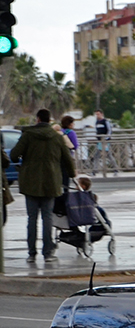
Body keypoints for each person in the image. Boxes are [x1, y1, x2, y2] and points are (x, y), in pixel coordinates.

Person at [10, 109, 76, 263]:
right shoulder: (57, 137)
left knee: (31, 218)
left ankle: (31, 253)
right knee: (47, 218)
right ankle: (48, 253)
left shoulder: (28, 135)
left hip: (30, 182)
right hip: (51, 182)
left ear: (38, 119)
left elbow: (14, 155)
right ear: (50, 120)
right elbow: (67, 159)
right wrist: (73, 175)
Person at [90, 109, 112, 175]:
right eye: (96, 114)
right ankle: (95, 170)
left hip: (105, 141)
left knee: (108, 155)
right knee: (96, 155)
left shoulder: (105, 121)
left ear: (102, 114)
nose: (97, 115)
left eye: (98, 114)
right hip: (99, 141)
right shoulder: (97, 122)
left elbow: (109, 130)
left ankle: (116, 169)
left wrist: (106, 138)